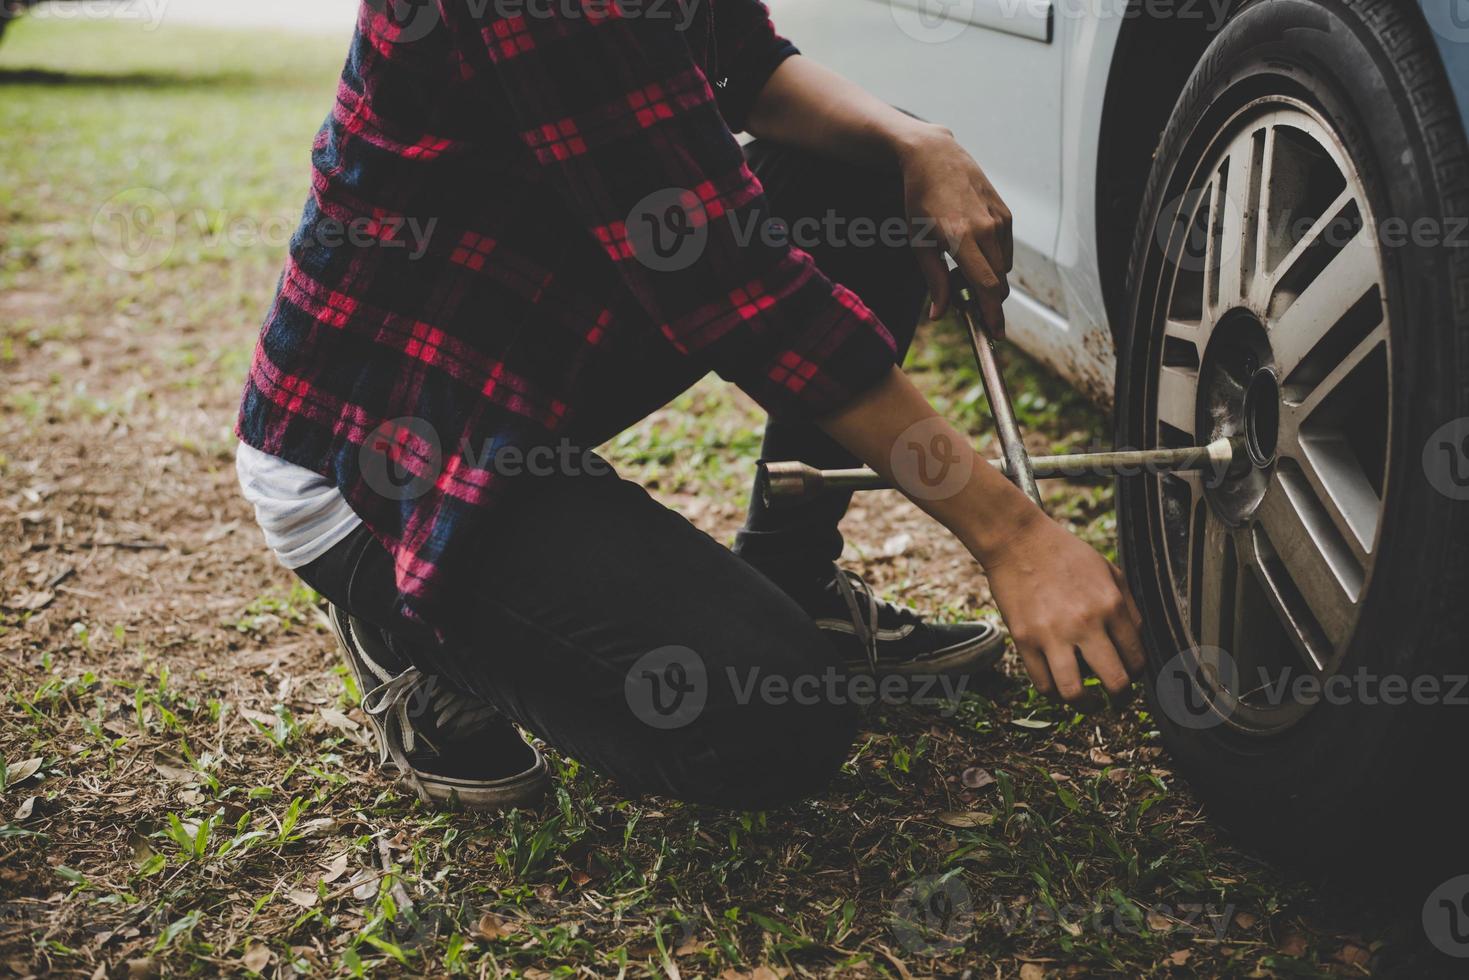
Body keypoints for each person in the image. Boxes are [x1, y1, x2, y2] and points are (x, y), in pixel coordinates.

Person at [235, 0, 1145, 811]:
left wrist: (918, 144)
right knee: (776, 725)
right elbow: (737, 291)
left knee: (867, 166)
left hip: (520, 351)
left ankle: (796, 581)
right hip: (376, 444)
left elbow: (742, 63)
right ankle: (409, 619)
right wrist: (1012, 534)